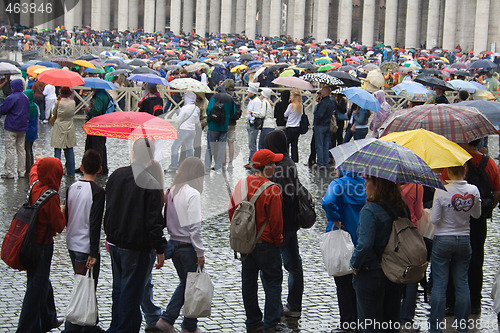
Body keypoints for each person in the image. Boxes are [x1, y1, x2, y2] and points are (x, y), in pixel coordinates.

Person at [104, 138, 166, 332]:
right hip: (136, 246)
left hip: (114, 242)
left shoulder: (116, 175)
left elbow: (111, 206)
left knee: (119, 291)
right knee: (131, 295)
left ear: (134, 152)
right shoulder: (151, 182)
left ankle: (116, 327)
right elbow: (153, 221)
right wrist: (160, 248)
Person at [229, 149, 290, 333]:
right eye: (273, 163)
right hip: (266, 244)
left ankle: (253, 322)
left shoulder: (242, 183)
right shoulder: (273, 189)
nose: (276, 166)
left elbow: (232, 211)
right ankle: (271, 324)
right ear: (267, 167)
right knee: (273, 282)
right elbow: (276, 222)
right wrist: (278, 240)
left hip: (246, 244)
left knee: (249, 282)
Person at [428, 165, 481, 333]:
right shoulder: (473, 190)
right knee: (462, 281)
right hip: (464, 238)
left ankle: (436, 325)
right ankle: (462, 324)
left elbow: (434, 219)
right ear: (465, 169)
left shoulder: (442, 190)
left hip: (443, 238)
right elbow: (477, 215)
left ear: (449, 171)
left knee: (439, 284)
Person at [350, 175, 406, 333]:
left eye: (368, 180)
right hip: (394, 271)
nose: (365, 183)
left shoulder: (370, 210)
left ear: (377, 185)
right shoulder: (401, 207)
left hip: (371, 273)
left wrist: (354, 264)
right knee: (391, 322)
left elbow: (365, 244)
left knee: (370, 325)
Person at [156, 157, 206, 333]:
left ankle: (189, 325)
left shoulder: (172, 190)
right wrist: (200, 252)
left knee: (187, 284)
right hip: (188, 247)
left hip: (174, 244)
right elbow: (195, 228)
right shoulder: (192, 193)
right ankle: (168, 319)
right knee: (189, 286)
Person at [17, 155, 65, 332]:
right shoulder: (51, 197)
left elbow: (34, 171)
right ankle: (26, 328)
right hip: (43, 246)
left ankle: (48, 317)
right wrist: (63, 211)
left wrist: (39, 160)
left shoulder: (35, 185)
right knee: (36, 287)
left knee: (41, 280)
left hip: (30, 243)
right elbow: (59, 225)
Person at [62, 149, 105, 333]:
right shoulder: (97, 192)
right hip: (86, 246)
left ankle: (90, 323)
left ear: (81, 167)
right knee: (86, 286)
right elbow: (95, 224)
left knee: (83, 284)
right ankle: (73, 327)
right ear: (100, 169)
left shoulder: (71, 188)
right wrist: (93, 253)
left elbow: (67, 215)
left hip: (72, 242)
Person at [263, 131, 303, 319]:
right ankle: (293, 305)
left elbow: (284, 198)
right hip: (290, 222)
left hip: (283, 224)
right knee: (293, 263)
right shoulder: (286, 163)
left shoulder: (283, 167)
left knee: (275, 267)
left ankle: (279, 309)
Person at [322, 170, 366, 330]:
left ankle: (347, 323)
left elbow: (327, 202)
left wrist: (334, 218)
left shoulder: (338, 184)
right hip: (362, 239)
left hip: (343, 237)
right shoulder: (366, 184)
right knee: (360, 284)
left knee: (343, 284)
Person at [0, 78, 29, 179]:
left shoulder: (11, 97)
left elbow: (3, 110)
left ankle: (10, 172)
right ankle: (21, 172)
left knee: (10, 149)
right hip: (22, 127)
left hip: (11, 126)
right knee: (21, 150)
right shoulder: (25, 97)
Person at [205, 85, 235, 174]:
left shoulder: (215, 97)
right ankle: (218, 169)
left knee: (210, 147)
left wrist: (208, 120)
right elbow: (233, 112)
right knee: (221, 147)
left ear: (217, 91)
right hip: (224, 127)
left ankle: (207, 168)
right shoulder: (230, 98)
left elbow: (209, 109)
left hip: (213, 126)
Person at [82, 88, 112, 174]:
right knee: (100, 146)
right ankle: (102, 167)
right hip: (102, 124)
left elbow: (97, 111)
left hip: (97, 124)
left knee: (95, 146)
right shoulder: (104, 94)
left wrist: (89, 110)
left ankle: (97, 168)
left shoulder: (99, 96)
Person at [168, 91, 200, 172]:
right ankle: (190, 166)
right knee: (189, 148)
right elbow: (197, 121)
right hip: (192, 130)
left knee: (175, 147)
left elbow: (179, 120)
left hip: (183, 130)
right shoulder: (196, 108)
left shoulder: (185, 108)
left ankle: (173, 166)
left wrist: (179, 113)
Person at [50, 87, 76, 177]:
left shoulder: (58, 103)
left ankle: (57, 171)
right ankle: (71, 171)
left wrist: (58, 101)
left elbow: (54, 112)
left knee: (57, 149)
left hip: (59, 125)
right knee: (69, 149)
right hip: (69, 125)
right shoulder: (73, 102)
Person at [313, 86, 334, 169]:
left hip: (320, 125)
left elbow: (320, 115)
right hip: (327, 125)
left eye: (322, 90)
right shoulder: (331, 101)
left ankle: (320, 163)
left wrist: (316, 123)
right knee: (325, 145)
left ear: (325, 92)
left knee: (320, 145)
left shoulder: (323, 103)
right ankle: (325, 163)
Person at [222, 79, 241, 168]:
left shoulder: (223, 96)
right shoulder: (236, 96)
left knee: (223, 142)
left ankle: (223, 162)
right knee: (231, 142)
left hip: (224, 122)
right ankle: (230, 163)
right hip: (233, 122)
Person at [245, 82, 262, 167]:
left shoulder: (257, 101)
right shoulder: (252, 100)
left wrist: (251, 119)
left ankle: (253, 162)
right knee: (251, 144)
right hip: (249, 124)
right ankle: (251, 160)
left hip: (253, 125)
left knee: (252, 144)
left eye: (248, 92)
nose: (247, 93)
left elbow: (257, 114)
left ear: (252, 93)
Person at [23, 89, 38, 177]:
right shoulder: (34, 106)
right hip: (34, 131)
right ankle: (31, 166)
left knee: (27, 149)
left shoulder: (27, 107)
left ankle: (28, 168)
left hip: (27, 131)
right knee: (30, 149)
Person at [284, 90, 302, 163]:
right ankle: (295, 159)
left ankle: (286, 158)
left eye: (291, 96)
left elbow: (285, 114)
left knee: (287, 144)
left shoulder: (291, 106)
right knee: (294, 145)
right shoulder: (300, 106)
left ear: (294, 97)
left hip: (290, 127)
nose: (290, 97)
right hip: (297, 127)